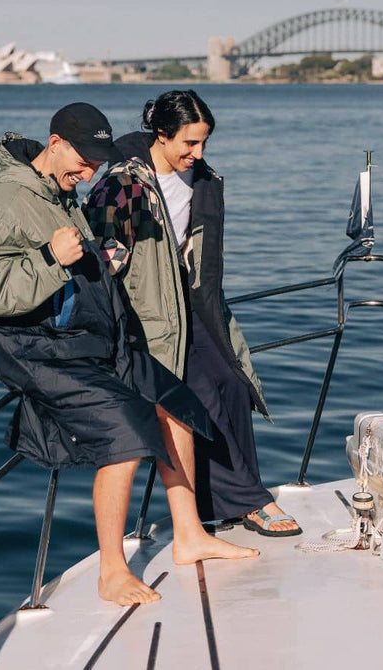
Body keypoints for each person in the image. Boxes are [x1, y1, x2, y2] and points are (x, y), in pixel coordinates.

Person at [0, 102, 259, 607]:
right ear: (56, 144)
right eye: (84, 161)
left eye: (97, 163)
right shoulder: (5, 200)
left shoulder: (57, 190)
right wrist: (50, 259)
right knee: (125, 431)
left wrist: (101, 259)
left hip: (93, 339)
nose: (89, 174)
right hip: (42, 352)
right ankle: (112, 571)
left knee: (177, 406)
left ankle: (189, 534)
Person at [83, 90, 301, 537]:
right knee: (197, 395)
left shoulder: (201, 178)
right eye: (189, 143)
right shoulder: (123, 183)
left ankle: (222, 500)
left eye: (203, 142)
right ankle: (251, 501)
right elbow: (101, 261)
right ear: (161, 134)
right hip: (147, 312)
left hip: (193, 302)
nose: (197, 153)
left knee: (234, 384)